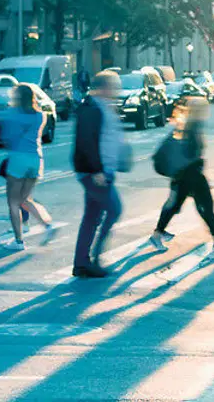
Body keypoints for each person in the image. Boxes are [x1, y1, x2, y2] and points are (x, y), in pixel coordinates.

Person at [149, 98, 214, 262]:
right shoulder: (193, 126)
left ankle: (158, 234)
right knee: (205, 204)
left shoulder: (188, 124)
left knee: (176, 205)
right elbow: (191, 152)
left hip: (183, 174)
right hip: (190, 174)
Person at [73, 70, 126, 278]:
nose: (117, 90)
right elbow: (86, 140)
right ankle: (93, 258)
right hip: (95, 173)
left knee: (92, 217)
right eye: (114, 86)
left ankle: (81, 263)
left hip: (102, 171)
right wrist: (96, 170)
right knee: (114, 209)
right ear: (104, 87)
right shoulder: (92, 108)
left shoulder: (103, 106)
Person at [0, 82, 57, 250]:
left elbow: (8, 138)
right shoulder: (40, 115)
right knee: (25, 198)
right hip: (36, 158)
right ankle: (47, 225)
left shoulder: (11, 114)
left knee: (13, 202)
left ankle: (18, 241)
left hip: (18, 158)